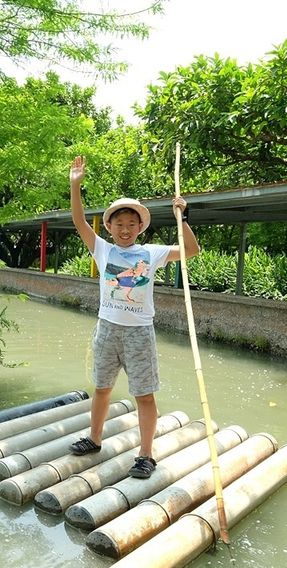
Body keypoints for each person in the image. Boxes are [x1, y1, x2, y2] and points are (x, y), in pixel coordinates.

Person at [67, 155, 200, 478]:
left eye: (131, 224)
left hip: (139, 333)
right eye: (118, 224)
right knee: (101, 388)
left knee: (144, 394)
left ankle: (146, 454)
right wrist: (75, 185)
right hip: (107, 329)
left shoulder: (151, 253)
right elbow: (78, 221)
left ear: (140, 227)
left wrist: (183, 217)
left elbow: (191, 250)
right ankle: (95, 438)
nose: (125, 230)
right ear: (109, 227)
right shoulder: (102, 249)